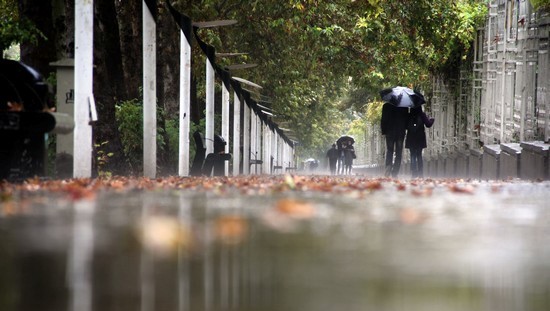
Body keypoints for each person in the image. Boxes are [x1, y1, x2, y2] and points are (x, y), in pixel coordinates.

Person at [380, 102, 409, 178]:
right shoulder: (404, 107)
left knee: (390, 150)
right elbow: (407, 120)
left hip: (389, 132)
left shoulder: (386, 106)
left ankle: (388, 167)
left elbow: (383, 119)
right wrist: (405, 128)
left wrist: (383, 131)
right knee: (399, 152)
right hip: (400, 132)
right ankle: (395, 172)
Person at [405, 106, 434, 178]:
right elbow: (428, 124)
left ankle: (414, 173)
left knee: (412, 155)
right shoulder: (422, 115)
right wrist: (432, 120)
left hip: (411, 137)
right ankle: (421, 173)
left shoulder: (408, 115)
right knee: (419, 155)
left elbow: (405, 126)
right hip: (420, 137)